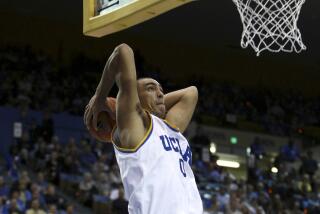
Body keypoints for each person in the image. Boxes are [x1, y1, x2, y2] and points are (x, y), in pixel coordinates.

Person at [84, 44, 203, 214]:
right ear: (133, 99)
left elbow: (191, 93)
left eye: (161, 89)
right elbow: (123, 51)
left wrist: (153, 105)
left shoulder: (169, 127)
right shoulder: (134, 130)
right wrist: (100, 96)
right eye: (151, 89)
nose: (160, 94)